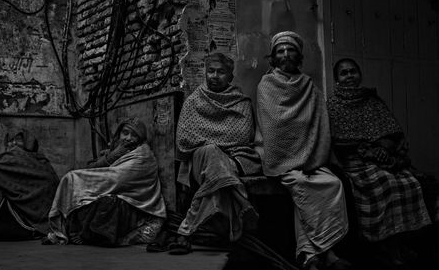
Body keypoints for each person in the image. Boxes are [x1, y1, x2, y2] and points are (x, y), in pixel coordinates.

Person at [327, 58, 439, 266]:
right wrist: (368, 151)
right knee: (383, 184)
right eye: (344, 73)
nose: (350, 76)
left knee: (410, 183)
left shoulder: (373, 101)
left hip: (384, 158)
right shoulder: (333, 106)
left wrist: (384, 148)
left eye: (353, 71)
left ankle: (402, 243)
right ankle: (383, 246)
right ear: (337, 80)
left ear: (359, 74)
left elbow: (393, 133)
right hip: (356, 161)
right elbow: (339, 142)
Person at [256, 31, 351, 270]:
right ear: (273, 57)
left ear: (298, 55)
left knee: (332, 184)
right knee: (302, 184)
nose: (286, 54)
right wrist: (296, 155)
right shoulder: (266, 85)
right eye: (280, 51)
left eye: (290, 50)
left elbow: (320, 124)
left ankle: (309, 256)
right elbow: (275, 127)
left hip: (310, 158)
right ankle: (327, 254)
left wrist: (310, 157)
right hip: (280, 159)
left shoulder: (309, 85)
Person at [172, 52, 262, 255]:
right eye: (210, 71)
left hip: (236, 158)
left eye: (221, 72)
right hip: (200, 160)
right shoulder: (194, 101)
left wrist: (207, 137)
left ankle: (185, 232)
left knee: (216, 159)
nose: (214, 75)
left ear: (230, 77)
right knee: (212, 152)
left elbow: (242, 136)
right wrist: (216, 142)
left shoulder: (242, 102)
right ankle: (241, 201)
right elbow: (185, 139)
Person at [44, 118, 166, 246]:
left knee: (108, 203)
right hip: (118, 193)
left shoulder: (143, 156)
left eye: (134, 135)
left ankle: (87, 235)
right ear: (119, 133)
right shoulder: (119, 150)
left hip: (136, 206)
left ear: (141, 138)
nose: (128, 138)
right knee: (81, 196)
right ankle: (75, 231)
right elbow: (91, 168)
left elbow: (116, 179)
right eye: (125, 133)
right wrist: (112, 155)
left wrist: (79, 179)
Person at [0, 130, 60, 241]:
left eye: (17, 140)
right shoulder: (10, 158)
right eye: (10, 141)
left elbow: (50, 185)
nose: (13, 144)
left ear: (28, 143)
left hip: (35, 214)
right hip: (16, 207)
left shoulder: (40, 161)